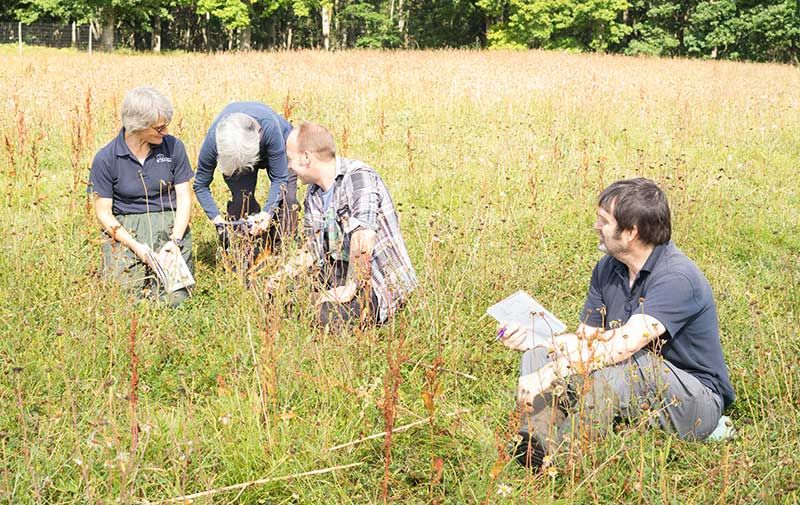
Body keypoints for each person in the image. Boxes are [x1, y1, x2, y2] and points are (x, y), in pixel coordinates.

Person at [498, 178, 735, 468]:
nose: (596, 226)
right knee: (542, 355)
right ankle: (534, 445)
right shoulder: (608, 268)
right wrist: (540, 342)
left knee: (628, 367)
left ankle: (567, 461)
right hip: (635, 385)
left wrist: (553, 372)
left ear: (631, 232)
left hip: (693, 401)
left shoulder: (677, 277)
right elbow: (589, 341)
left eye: (603, 221)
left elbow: (624, 345)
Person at [267, 122, 418, 327]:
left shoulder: (358, 177)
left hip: (375, 281)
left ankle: (366, 312)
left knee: (324, 318)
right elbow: (314, 248)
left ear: (306, 158)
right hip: (341, 272)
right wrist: (281, 276)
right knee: (282, 301)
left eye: (291, 159)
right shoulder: (313, 194)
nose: (289, 166)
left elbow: (363, 237)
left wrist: (351, 287)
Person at [88, 87, 194, 307]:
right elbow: (104, 213)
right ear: (137, 127)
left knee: (176, 299)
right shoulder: (106, 158)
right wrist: (136, 247)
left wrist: (175, 240)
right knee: (123, 298)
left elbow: (185, 197)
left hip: (169, 225)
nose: (165, 132)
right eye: (159, 128)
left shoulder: (174, 147)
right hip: (126, 230)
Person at [193, 102, 297, 259]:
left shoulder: (269, 128)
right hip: (240, 151)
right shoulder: (214, 140)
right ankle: (245, 251)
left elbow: (280, 178)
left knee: (287, 199)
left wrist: (267, 213)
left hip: (279, 142)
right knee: (242, 202)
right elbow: (200, 185)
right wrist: (217, 219)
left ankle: (281, 253)